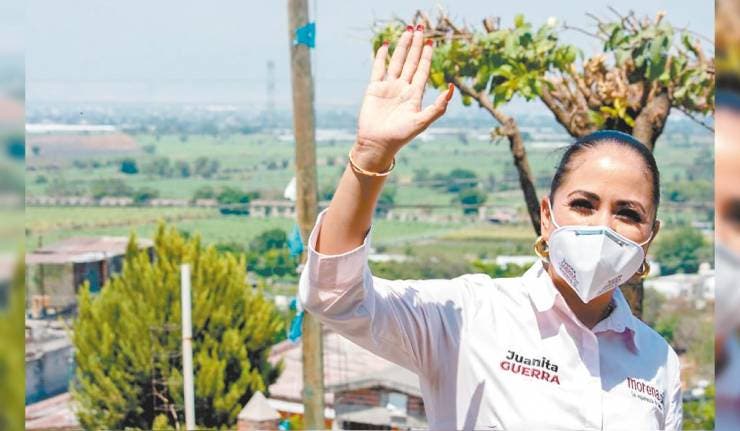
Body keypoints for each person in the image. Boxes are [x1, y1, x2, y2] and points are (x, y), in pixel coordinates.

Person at [298, 24, 681, 430]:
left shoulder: (658, 361)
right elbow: (335, 297)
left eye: (628, 213)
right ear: (547, 217)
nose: (603, 226)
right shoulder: (470, 316)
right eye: (583, 205)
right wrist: (370, 156)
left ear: (649, 236)